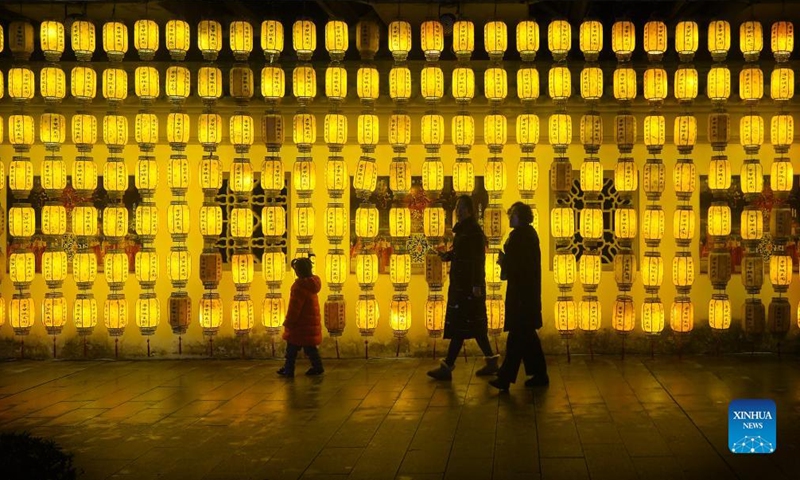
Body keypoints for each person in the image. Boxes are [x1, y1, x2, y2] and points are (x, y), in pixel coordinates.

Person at [427, 195, 499, 380]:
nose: (457, 211)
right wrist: (448, 256)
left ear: (468, 210)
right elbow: (462, 253)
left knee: (464, 325)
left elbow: (476, 260)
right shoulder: (464, 231)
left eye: (460, 208)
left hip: (469, 287)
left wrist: (476, 285)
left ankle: (448, 365)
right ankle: (490, 361)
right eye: (457, 208)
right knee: (473, 326)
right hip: (461, 285)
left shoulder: (473, 231)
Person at [489, 202, 549, 391]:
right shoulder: (529, 235)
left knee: (517, 337)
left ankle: (505, 378)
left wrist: (503, 261)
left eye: (513, 214)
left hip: (522, 296)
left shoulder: (521, 237)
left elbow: (518, 266)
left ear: (521, 216)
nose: (510, 217)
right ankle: (539, 374)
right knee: (527, 337)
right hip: (527, 294)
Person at [277, 257, 324, 377]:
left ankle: (288, 370)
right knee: (310, 348)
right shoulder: (312, 284)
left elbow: (294, 308)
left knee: (291, 350)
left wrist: (289, 322)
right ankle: (318, 367)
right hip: (310, 322)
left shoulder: (299, 286)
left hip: (300, 324)